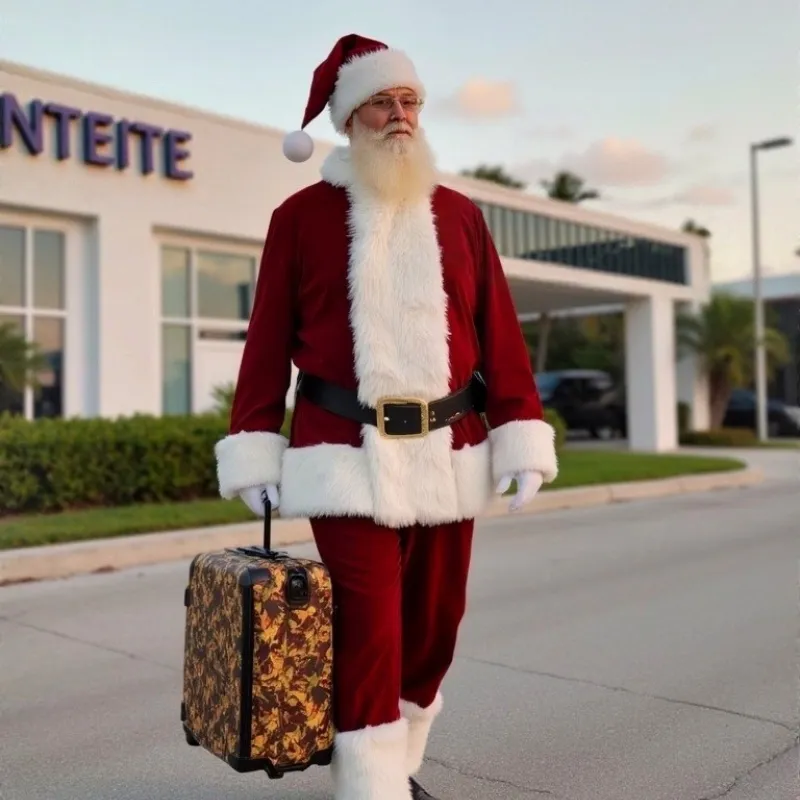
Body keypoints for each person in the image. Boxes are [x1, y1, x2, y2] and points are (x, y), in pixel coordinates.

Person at [214, 33, 558, 800]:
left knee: (434, 633)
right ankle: (371, 789)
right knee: (368, 630)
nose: (401, 115)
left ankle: (397, 770)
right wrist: (254, 449)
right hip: (344, 454)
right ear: (348, 116)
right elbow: (266, 342)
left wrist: (520, 437)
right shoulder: (299, 218)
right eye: (383, 101)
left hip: (452, 449)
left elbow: (499, 333)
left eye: (410, 102)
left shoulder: (462, 217)